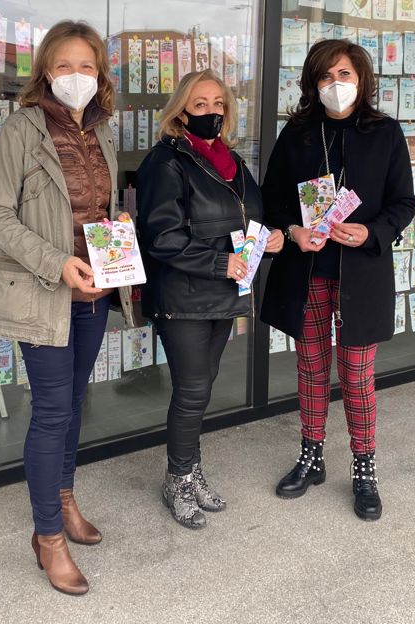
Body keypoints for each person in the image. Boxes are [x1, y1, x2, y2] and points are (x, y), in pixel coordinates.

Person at [0, 20, 134, 595]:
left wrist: (115, 233)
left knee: (71, 404)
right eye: (64, 66)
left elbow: (98, 206)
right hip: (44, 292)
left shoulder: (103, 132)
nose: (76, 76)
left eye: (87, 66)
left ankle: (64, 498)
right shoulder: (22, 130)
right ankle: (48, 538)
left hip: (94, 289)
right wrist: (57, 264)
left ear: (100, 74)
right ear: (46, 70)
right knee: (50, 411)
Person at [260, 39, 415, 521]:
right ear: (312, 83)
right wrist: (292, 230)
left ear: (362, 80)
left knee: (355, 374)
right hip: (308, 273)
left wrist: (371, 231)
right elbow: (272, 200)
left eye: (345, 74)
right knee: (310, 368)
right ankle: (311, 457)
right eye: (326, 76)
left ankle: (365, 469)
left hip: (361, 276)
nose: (336, 85)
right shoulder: (299, 133)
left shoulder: (385, 133)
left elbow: (403, 204)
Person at [136, 69, 283, 529]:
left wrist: (270, 237)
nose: (212, 112)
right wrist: (221, 262)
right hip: (183, 295)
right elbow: (160, 236)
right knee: (192, 389)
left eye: (218, 103)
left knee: (201, 387)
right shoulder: (166, 161)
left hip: (223, 293)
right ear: (180, 110)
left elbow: (248, 216)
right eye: (200, 104)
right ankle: (178, 479)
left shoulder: (232, 160)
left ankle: (189, 469)